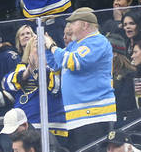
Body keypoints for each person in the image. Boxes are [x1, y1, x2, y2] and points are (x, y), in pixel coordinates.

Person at [44, 8, 115, 149]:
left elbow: (73, 62)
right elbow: (55, 64)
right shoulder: (75, 45)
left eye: (73, 24)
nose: (70, 28)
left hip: (94, 114)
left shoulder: (97, 41)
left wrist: (52, 45)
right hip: (77, 115)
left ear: (85, 25)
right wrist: (46, 47)